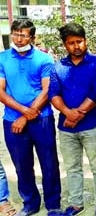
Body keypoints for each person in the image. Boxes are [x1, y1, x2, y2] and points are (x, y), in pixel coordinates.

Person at [0, 19, 62, 216]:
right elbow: (0, 91)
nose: (19, 39)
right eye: (15, 34)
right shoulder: (2, 58)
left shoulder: (44, 59)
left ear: (32, 38)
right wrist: (22, 112)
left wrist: (26, 117)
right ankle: (30, 203)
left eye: (23, 35)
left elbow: (46, 91)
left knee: (49, 163)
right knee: (22, 165)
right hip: (12, 120)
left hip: (42, 119)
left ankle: (53, 204)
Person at [49, 22, 96, 216]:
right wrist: (68, 113)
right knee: (72, 167)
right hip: (66, 128)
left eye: (79, 41)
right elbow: (53, 94)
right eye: (71, 43)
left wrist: (75, 116)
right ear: (65, 45)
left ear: (85, 41)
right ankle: (75, 204)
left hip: (92, 125)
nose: (76, 46)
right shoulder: (57, 67)